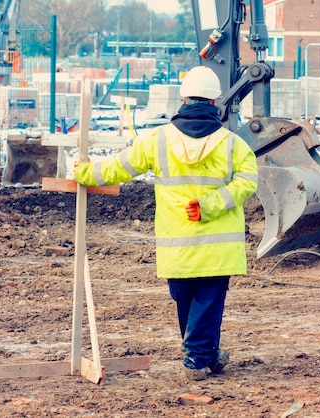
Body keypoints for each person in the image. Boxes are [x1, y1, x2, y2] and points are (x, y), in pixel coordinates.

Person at [73, 66, 258, 381]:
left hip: (177, 246)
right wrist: (211, 205)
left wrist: (84, 173)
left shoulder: (157, 140)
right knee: (207, 305)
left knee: (188, 303)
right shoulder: (232, 144)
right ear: (216, 102)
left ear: (183, 98)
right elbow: (248, 181)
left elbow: (120, 168)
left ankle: (201, 355)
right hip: (219, 246)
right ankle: (199, 359)